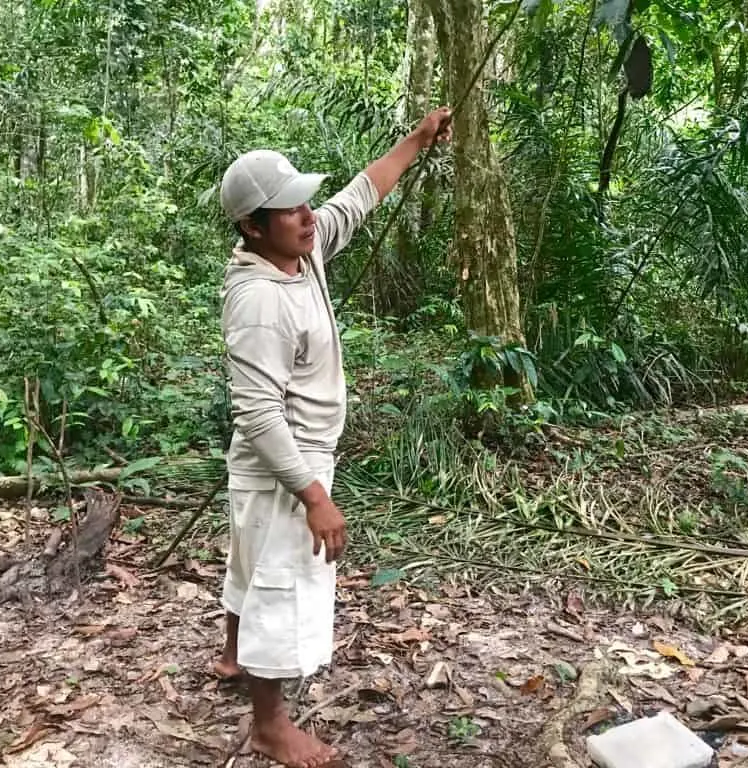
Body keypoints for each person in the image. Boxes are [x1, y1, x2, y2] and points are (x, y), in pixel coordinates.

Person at [214, 106, 452, 768]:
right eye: (288, 208)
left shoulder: (302, 251)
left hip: (275, 467)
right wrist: (314, 494)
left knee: (249, 566)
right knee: (279, 586)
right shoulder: (260, 300)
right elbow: (259, 412)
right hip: (284, 466)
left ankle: (234, 658)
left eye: (303, 201)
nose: (307, 214)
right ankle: (269, 724)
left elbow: (358, 196)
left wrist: (415, 141)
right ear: (252, 226)